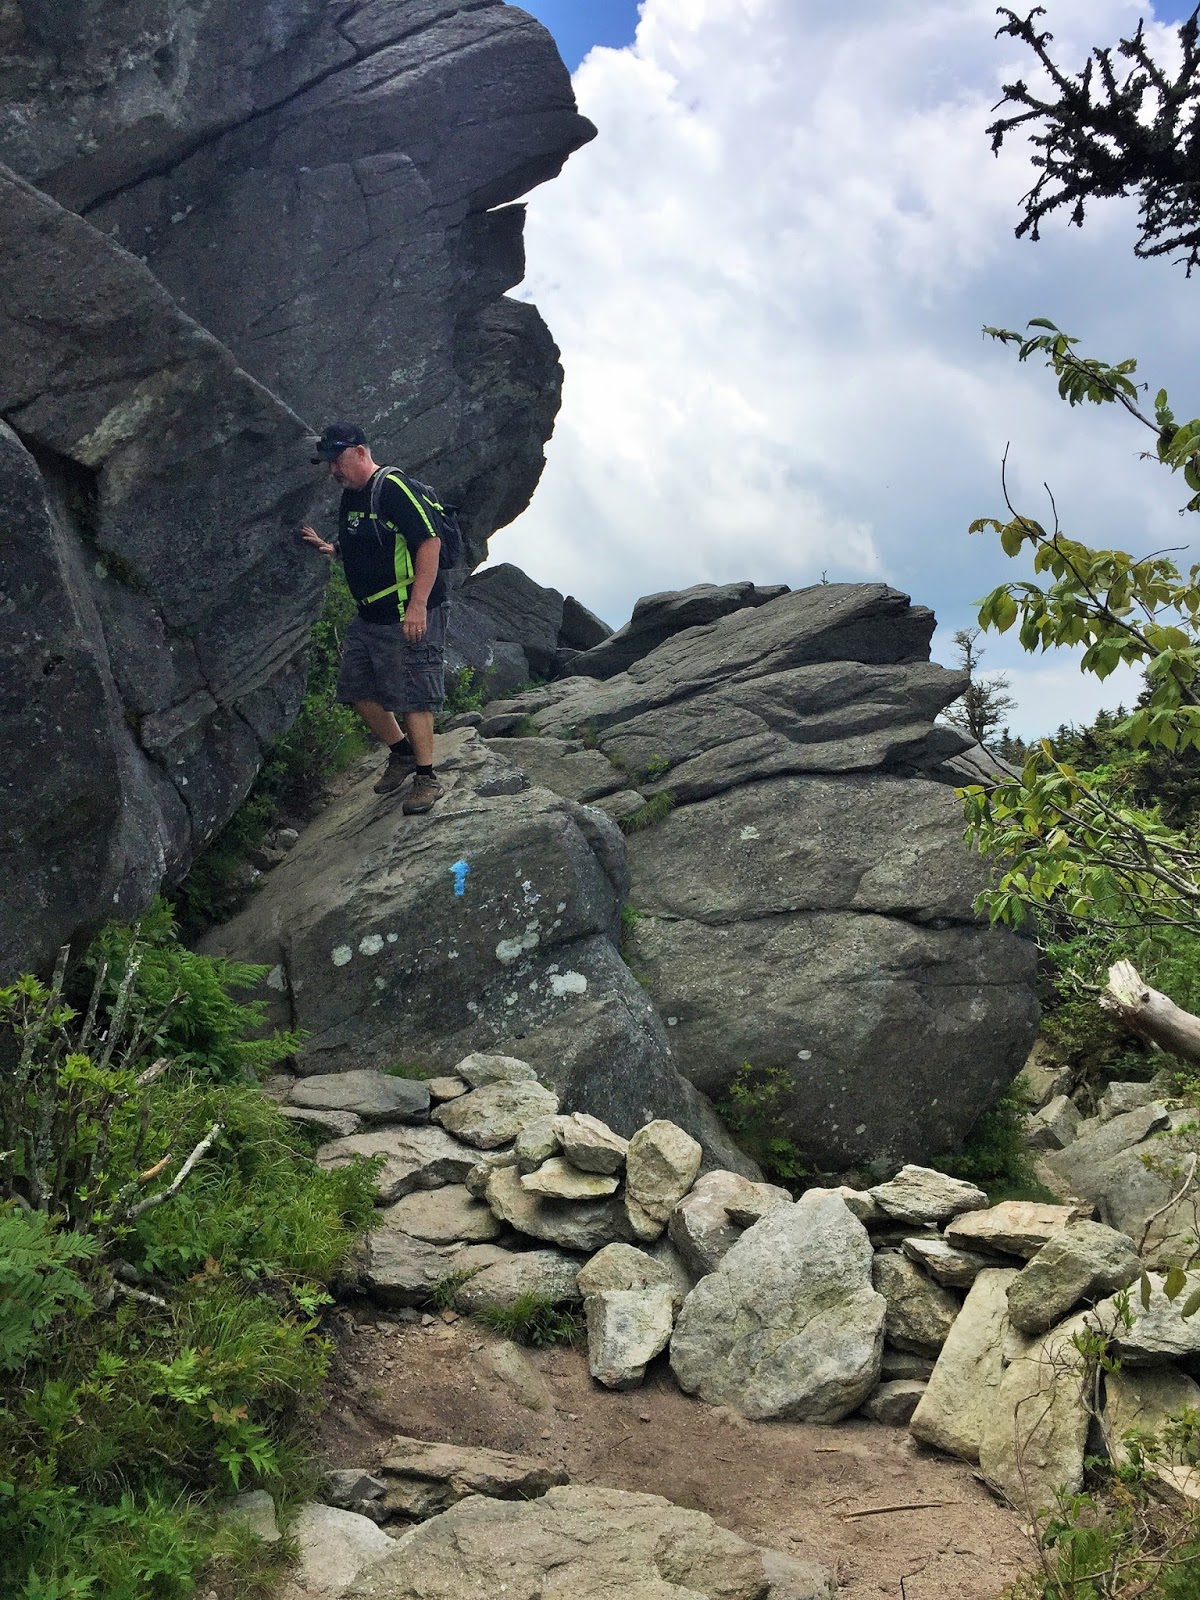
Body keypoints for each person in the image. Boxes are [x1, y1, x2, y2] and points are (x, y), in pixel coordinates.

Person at [301, 424, 448, 814]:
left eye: (338, 460)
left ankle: (427, 778)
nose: (334, 470)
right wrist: (333, 549)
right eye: (329, 463)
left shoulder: (393, 488)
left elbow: (429, 542)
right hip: (370, 615)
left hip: (407, 612)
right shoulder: (352, 494)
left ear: (361, 452)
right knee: (358, 689)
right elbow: (368, 541)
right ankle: (402, 753)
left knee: (415, 695)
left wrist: (418, 606)